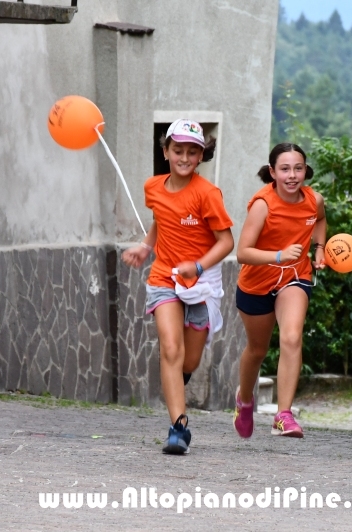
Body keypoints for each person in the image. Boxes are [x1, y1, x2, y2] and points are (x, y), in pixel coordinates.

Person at [122, 119, 234, 454]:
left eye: (191, 152)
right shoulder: (153, 187)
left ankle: (177, 384)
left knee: (189, 360)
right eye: (177, 150)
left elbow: (226, 242)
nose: (184, 157)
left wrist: (197, 266)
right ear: (166, 151)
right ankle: (178, 427)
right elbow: (160, 220)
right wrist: (145, 246)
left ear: (200, 156)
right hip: (163, 278)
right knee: (171, 349)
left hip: (201, 283)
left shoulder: (207, 194)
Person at [232, 142, 326, 439]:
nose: (292, 175)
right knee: (257, 350)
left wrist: (320, 248)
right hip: (257, 282)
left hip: (295, 276)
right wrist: (277, 255)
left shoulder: (315, 200)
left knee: (291, 336)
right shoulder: (263, 204)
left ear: (305, 170)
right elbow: (242, 252)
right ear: (272, 172)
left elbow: (320, 220)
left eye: (298, 168)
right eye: (285, 169)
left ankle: (282, 415)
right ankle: (244, 400)